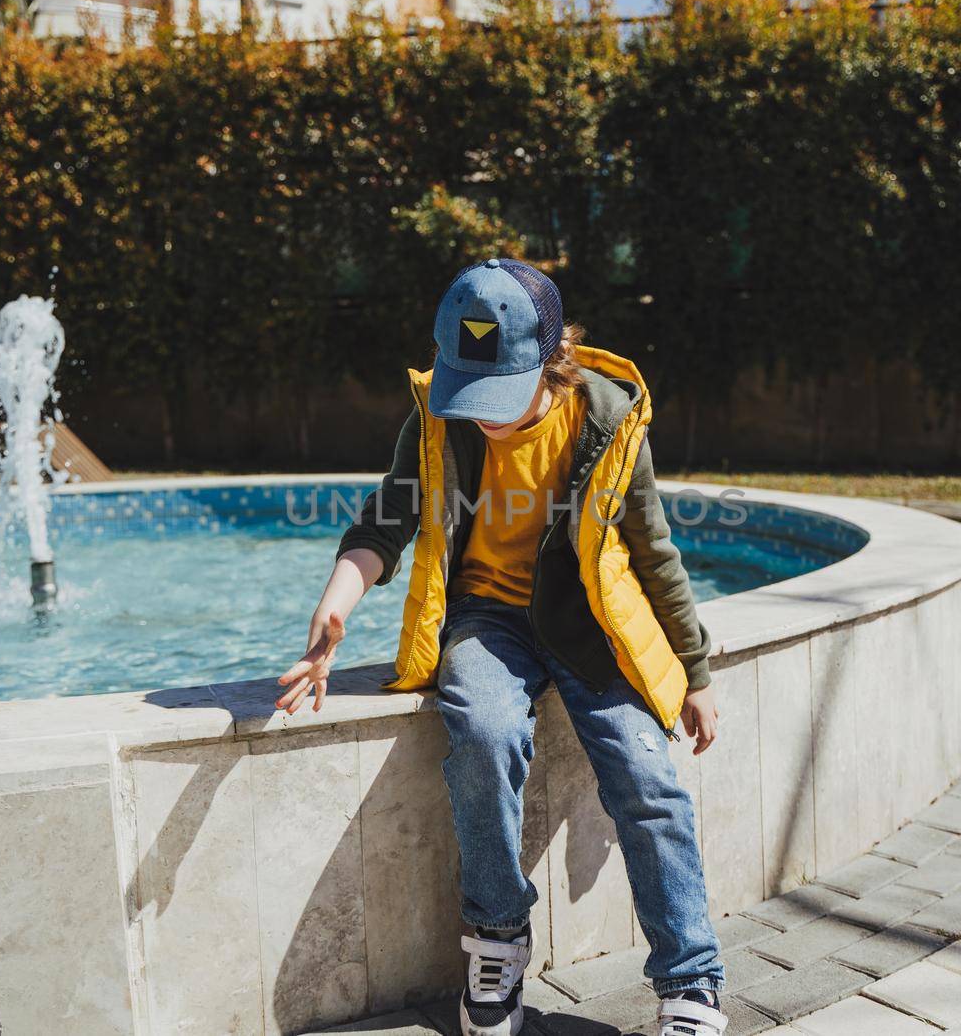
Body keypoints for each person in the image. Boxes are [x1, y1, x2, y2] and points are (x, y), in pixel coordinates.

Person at [276, 258, 727, 1036]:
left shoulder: (606, 420)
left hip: (588, 622)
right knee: (482, 732)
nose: (480, 414)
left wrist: (694, 669)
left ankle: (690, 981)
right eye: (467, 390)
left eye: (498, 394)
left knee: (647, 775)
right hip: (488, 617)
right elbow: (387, 520)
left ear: (551, 357)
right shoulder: (440, 417)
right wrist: (335, 603)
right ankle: (496, 937)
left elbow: (654, 553)